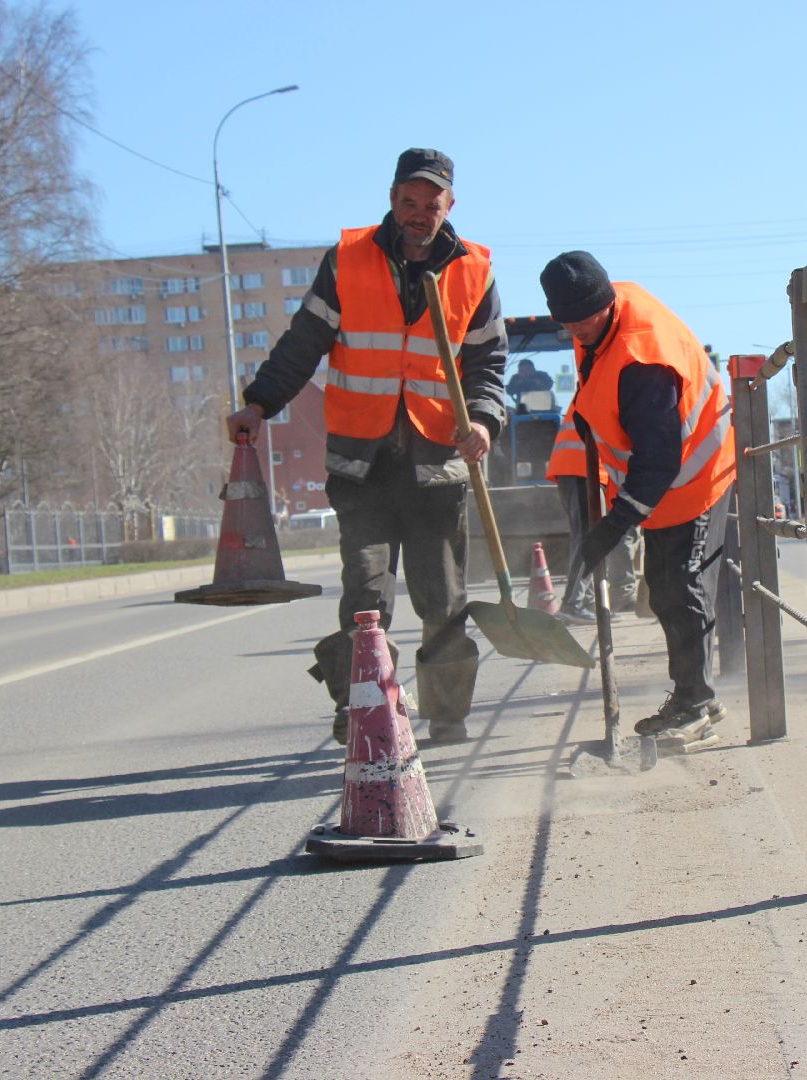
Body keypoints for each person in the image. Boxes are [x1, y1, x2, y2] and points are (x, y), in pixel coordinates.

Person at [225, 148, 508, 744]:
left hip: (437, 464)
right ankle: (360, 710)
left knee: (443, 599)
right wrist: (259, 403)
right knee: (365, 599)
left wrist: (482, 421)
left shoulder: (474, 272)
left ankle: (447, 715)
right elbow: (303, 344)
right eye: (409, 202)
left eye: (431, 205)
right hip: (363, 465)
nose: (418, 214)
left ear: (448, 206)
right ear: (391, 199)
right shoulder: (348, 261)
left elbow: (487, 365)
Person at [539, 251, 737, 745]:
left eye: (584, 320)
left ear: (606, 304)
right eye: (567, 323)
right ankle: (695, 696)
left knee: (678, 582)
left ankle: (695, 704)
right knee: (662, 583)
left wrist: (613, 525)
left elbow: (658, 459)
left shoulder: (644, 358)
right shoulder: (600, 317)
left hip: (697, 471)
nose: (577, 331)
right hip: (663, 481)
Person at [546, 405, 639, 624]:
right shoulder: (612, 392)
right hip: (583, 469)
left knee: (586, 537)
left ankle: (585, 602)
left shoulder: (596, 388)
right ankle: (572, 604)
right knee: (590, 538)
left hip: (578, 470)